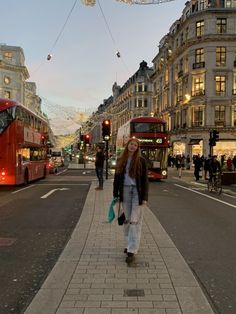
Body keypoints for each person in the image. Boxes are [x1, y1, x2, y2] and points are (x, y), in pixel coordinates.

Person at [113, 138, 148, 264]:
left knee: (134, 220)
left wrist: (144, 197)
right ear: (127, 145)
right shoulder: (121, 160)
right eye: (131, 144)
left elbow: (145, 180)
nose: (133, 146)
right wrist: (115, 195)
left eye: (135, 145)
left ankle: (132, 250)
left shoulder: (141, 161)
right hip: (125, 191)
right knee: (127, 220)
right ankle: (129, 244)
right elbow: (117, 179)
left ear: (137, 148)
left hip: (137, 192)